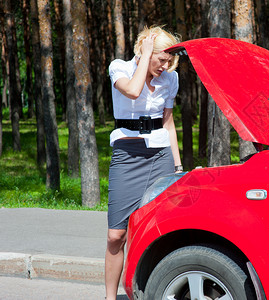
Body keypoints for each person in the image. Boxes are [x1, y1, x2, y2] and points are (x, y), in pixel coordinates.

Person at [105, 25, 182, 300]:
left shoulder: (170, 79)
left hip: (160, 154)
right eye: (162, 59)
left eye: (169, 60)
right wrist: (145, 54)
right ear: (145, 51)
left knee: (155, 230)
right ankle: (110, 297)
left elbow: (168, 123)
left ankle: (148, 291)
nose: (166, 66)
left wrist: (177, 167)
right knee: (116, 234)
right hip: (127, 153)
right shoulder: (120, 68)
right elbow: (134, 91)